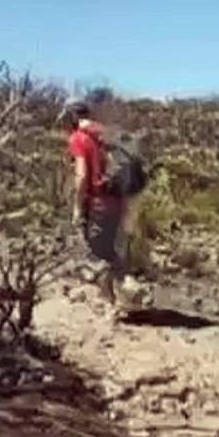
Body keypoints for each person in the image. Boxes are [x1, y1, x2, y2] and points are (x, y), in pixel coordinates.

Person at [62, 100, 140, 309]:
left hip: (99, 202)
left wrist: (78, 207)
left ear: (73, 117)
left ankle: (127, 292)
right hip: (120, 198)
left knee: (100, 251)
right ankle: (115, 299)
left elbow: (81, 175)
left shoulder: (79, 138)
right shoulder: (107, 135)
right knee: (115, 247)